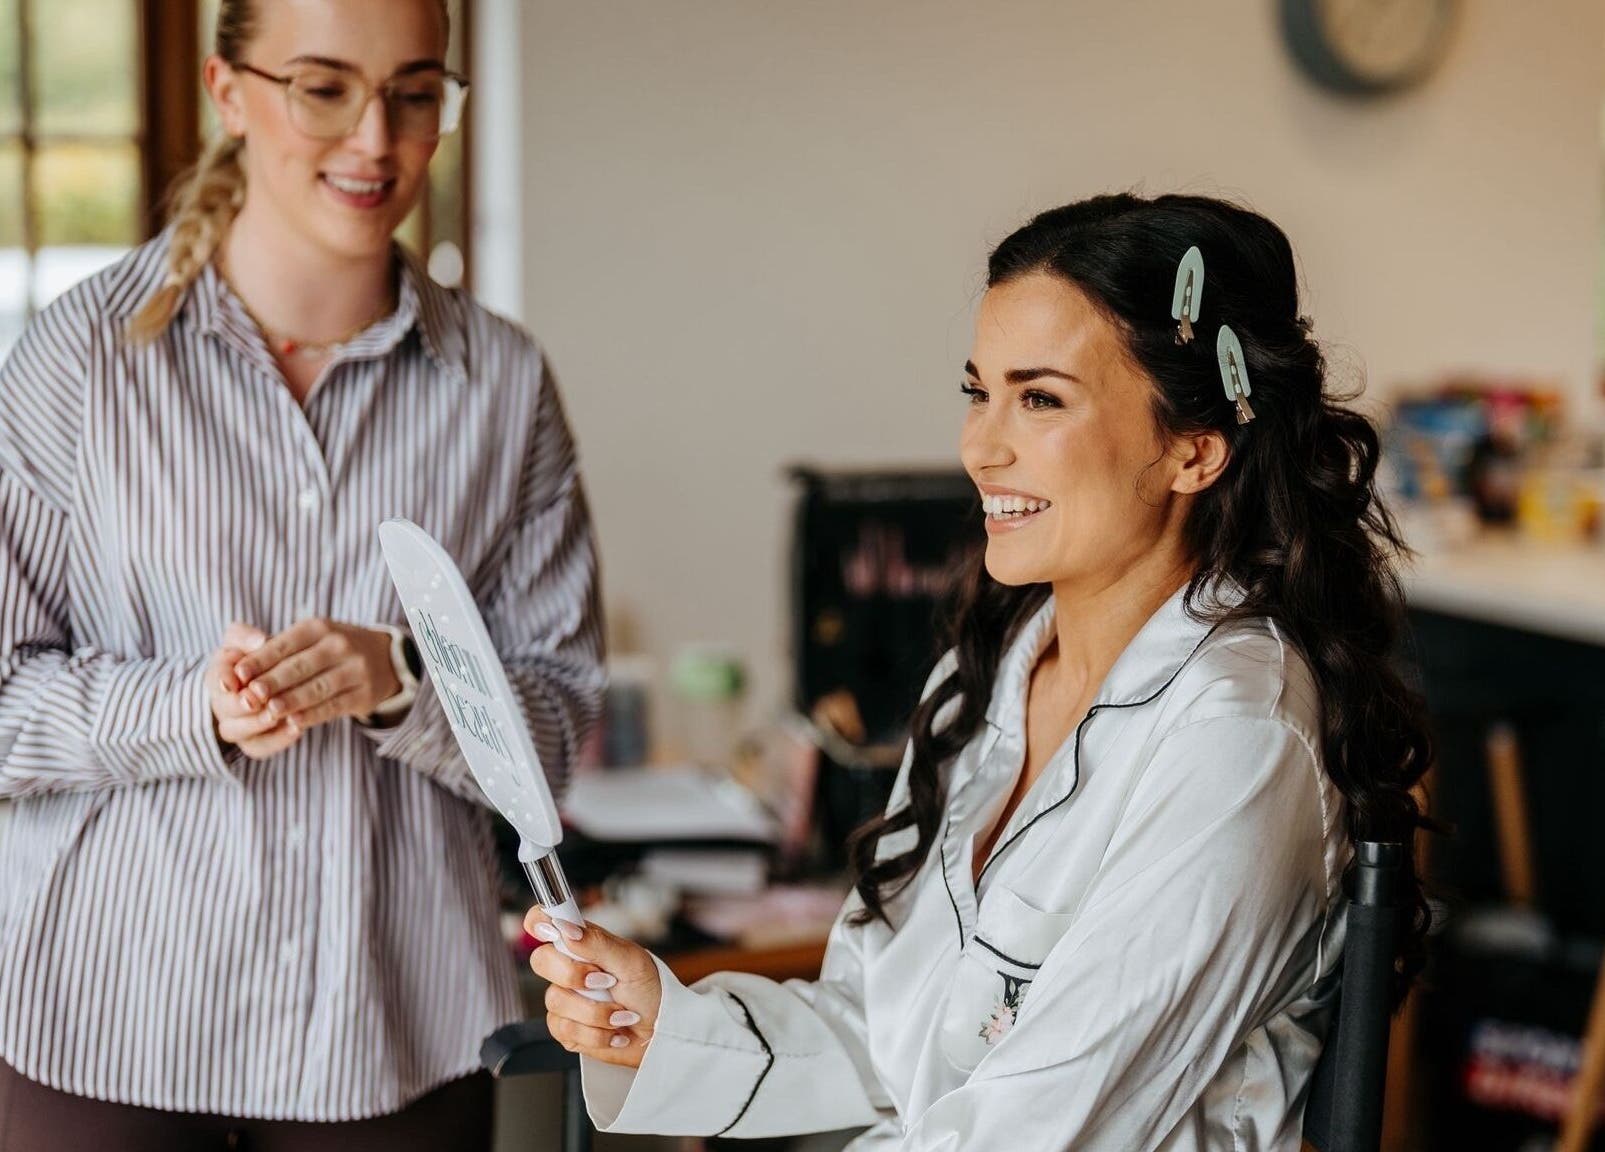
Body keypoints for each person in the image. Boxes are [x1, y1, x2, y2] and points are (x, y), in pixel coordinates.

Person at [529, 193, 1431, 1151]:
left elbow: (1038, 1129)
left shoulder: (1235, 737)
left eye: (1038, 399)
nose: (978, 446)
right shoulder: (994, 667)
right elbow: (891, 1032)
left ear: (1192, 449)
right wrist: (666, 1024)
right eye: (978, 391)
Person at [0, 1, 603, 1148]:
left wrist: (411, 677)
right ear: (230, 92)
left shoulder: (504, 387)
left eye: (415, 93)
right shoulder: (74, 364)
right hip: (100, 1023)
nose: (376, 140)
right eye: (323, 87)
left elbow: (560, 726)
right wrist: (189, 707)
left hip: (394, 1035)